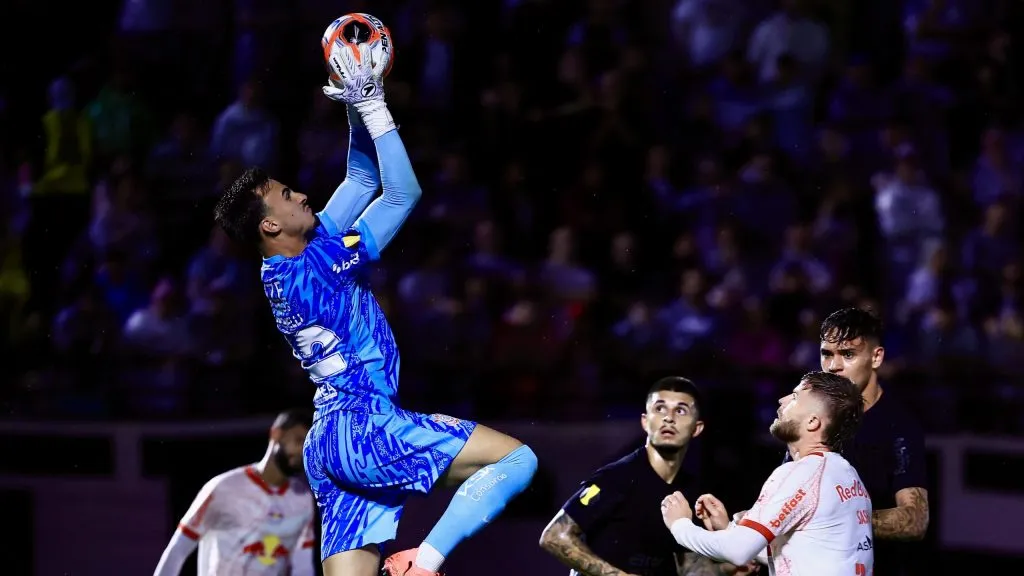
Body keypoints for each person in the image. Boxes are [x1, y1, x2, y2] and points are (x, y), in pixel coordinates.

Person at [213, 41, 537, 576]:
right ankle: (423, 562)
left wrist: (357, 98)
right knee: (516, 460)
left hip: (328, 445)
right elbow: (401, 194)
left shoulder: (297, 255)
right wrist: (375, 109)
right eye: (288, 195)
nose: (301, 196)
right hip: (365, 426)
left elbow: (363, 179)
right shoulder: (318, 268)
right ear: (269, 225)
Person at [660, 371, 872, 576]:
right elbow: (802, 550)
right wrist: (730, 529)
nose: (782, 400)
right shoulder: (849, 476)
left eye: (796, 397)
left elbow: (738, 551)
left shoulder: (801, 473)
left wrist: (680, 525)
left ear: (813, 422)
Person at [539, 377, 752, 576]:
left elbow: (685, 565)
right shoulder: (616, 477)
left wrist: (725, 570)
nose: (669, 418)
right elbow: (554, 536)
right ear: (645, 421)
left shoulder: (691, 490)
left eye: (681, 410)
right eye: (660, 408)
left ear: (697, 428)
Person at [816, 307, 929, 574]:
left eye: (848, 354)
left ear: (876, 357)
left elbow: (916, 519)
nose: (834, 366)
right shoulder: (811, 420)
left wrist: (838, 521)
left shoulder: (899, 425)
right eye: (826, 354)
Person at [153, 410, 317, 575]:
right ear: (276, 434)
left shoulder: (302, 499)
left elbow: (303, 565)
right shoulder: (224, 488)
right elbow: (179, 549)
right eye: (299, 440)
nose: (303, 451)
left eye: (310, 445)